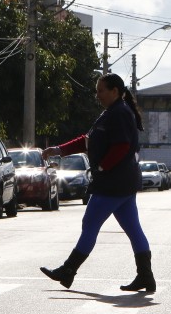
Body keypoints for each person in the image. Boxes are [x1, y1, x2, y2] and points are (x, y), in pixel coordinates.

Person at [39, 73, 155, 293]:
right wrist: (59, 150)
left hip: (113, 183)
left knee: (90, 224)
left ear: (114, 91)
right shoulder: (111, 113)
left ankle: (68, 270)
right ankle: (146, 276)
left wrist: (103, 167)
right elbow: (87, 141)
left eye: (101, 90)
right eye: (97, 90)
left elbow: (121, 146)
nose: (97, 95)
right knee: (133, 228)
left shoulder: (119, 113)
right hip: (123, 183)